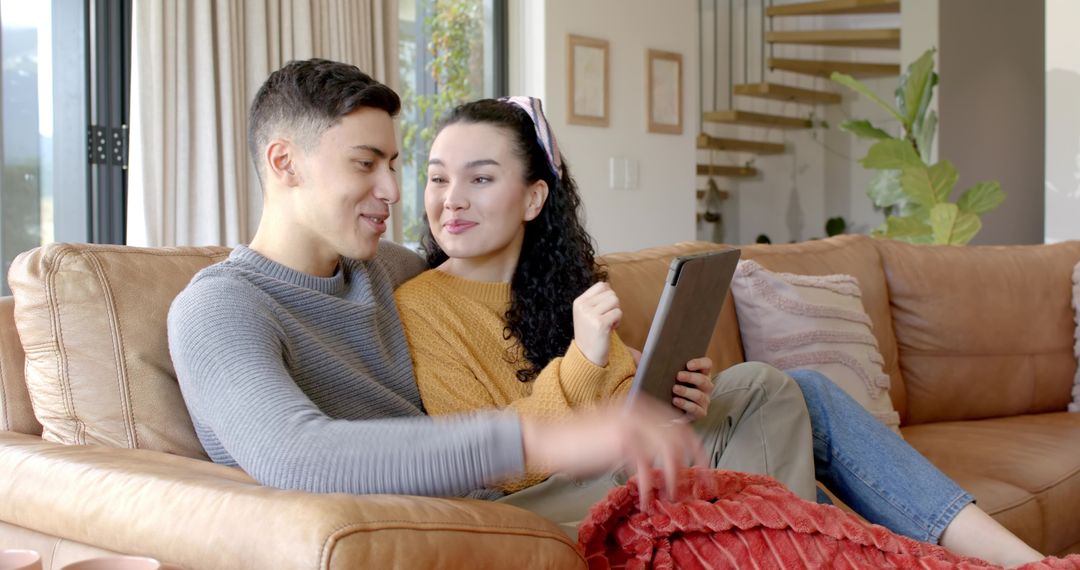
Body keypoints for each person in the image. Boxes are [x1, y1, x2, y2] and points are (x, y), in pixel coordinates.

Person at [393, 96, 1046, 567]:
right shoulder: (422, 303)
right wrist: (584, 359)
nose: (452, 199)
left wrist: (677, 393)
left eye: (480, 178)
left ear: (534, 198)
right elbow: (486, 458)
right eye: (438, 177)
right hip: (539, 497)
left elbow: (622, 402)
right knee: (778, 392)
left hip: (613, 463)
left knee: (777, 392)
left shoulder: (561, 289)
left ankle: (1007, 562)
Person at [167, 58, 702, 510]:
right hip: (444, 525)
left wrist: (640, 373)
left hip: (502, 504)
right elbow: (296, 456)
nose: (393, 190)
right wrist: (538, 438)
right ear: (285, 163)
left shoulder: (387, 268)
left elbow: (494, 309)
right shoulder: (219, 307)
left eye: (394, 166)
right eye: (365, 164)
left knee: (744, 394)